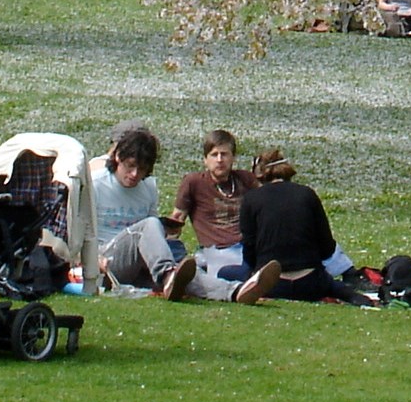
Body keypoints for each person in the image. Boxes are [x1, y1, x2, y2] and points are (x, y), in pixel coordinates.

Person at [239, 150, 374, 306]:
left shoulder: (251, 199)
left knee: (226, 272)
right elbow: (327, 248)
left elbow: (249, 251)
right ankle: (358, 297)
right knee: (334, 286)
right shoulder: (307, 194)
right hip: (310, 283)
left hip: (272, 285)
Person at [168, 128, 276, 303]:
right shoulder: (194, 182)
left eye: (224, 154)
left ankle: (257, 279)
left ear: (233, 157)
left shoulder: (245, 180)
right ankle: (251, 282)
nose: (220, 160)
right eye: (214, 155)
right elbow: (176, 219)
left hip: (248, 247)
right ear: (205, 159)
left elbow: (269, 206)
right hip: (217, 250)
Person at [89, 123, 191, 296]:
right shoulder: (96, 184)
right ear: (118, 158)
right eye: (130, 166)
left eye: (142, 169)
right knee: (149, 225)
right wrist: (93, 259)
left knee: (189, 277)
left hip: (139, 262)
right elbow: (77, 234)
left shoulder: (149, 186)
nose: (135, 174)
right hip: (106, 261)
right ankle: (167, 274)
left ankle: (234, 291)